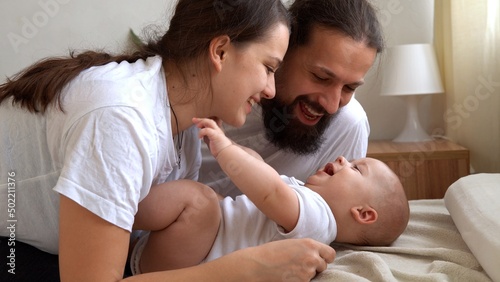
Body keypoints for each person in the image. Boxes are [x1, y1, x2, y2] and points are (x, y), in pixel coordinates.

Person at [0, 0, 336, 281]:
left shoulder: (184, 127)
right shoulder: (122, 118)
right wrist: (243, 269)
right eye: (269, 67)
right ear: (220, 51)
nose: (271, 90)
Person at [131, 117, 410, 274]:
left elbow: (271, 192)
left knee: (199, 199)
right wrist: (244, 155)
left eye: (356, 168)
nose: (342, 159)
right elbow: (266, 178)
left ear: (362, 213)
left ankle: (119, 213)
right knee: (214, 202)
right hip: (184, 252)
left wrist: (226, 149)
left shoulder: (318, 219)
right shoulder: (309, 209)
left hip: (185, 264)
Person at [198, 0, 385, 199]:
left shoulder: (347, 125)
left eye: (350, 88)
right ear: (284, 49)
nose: (331, 106)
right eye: (321, 77)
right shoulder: (217, 86)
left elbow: (340, 219)